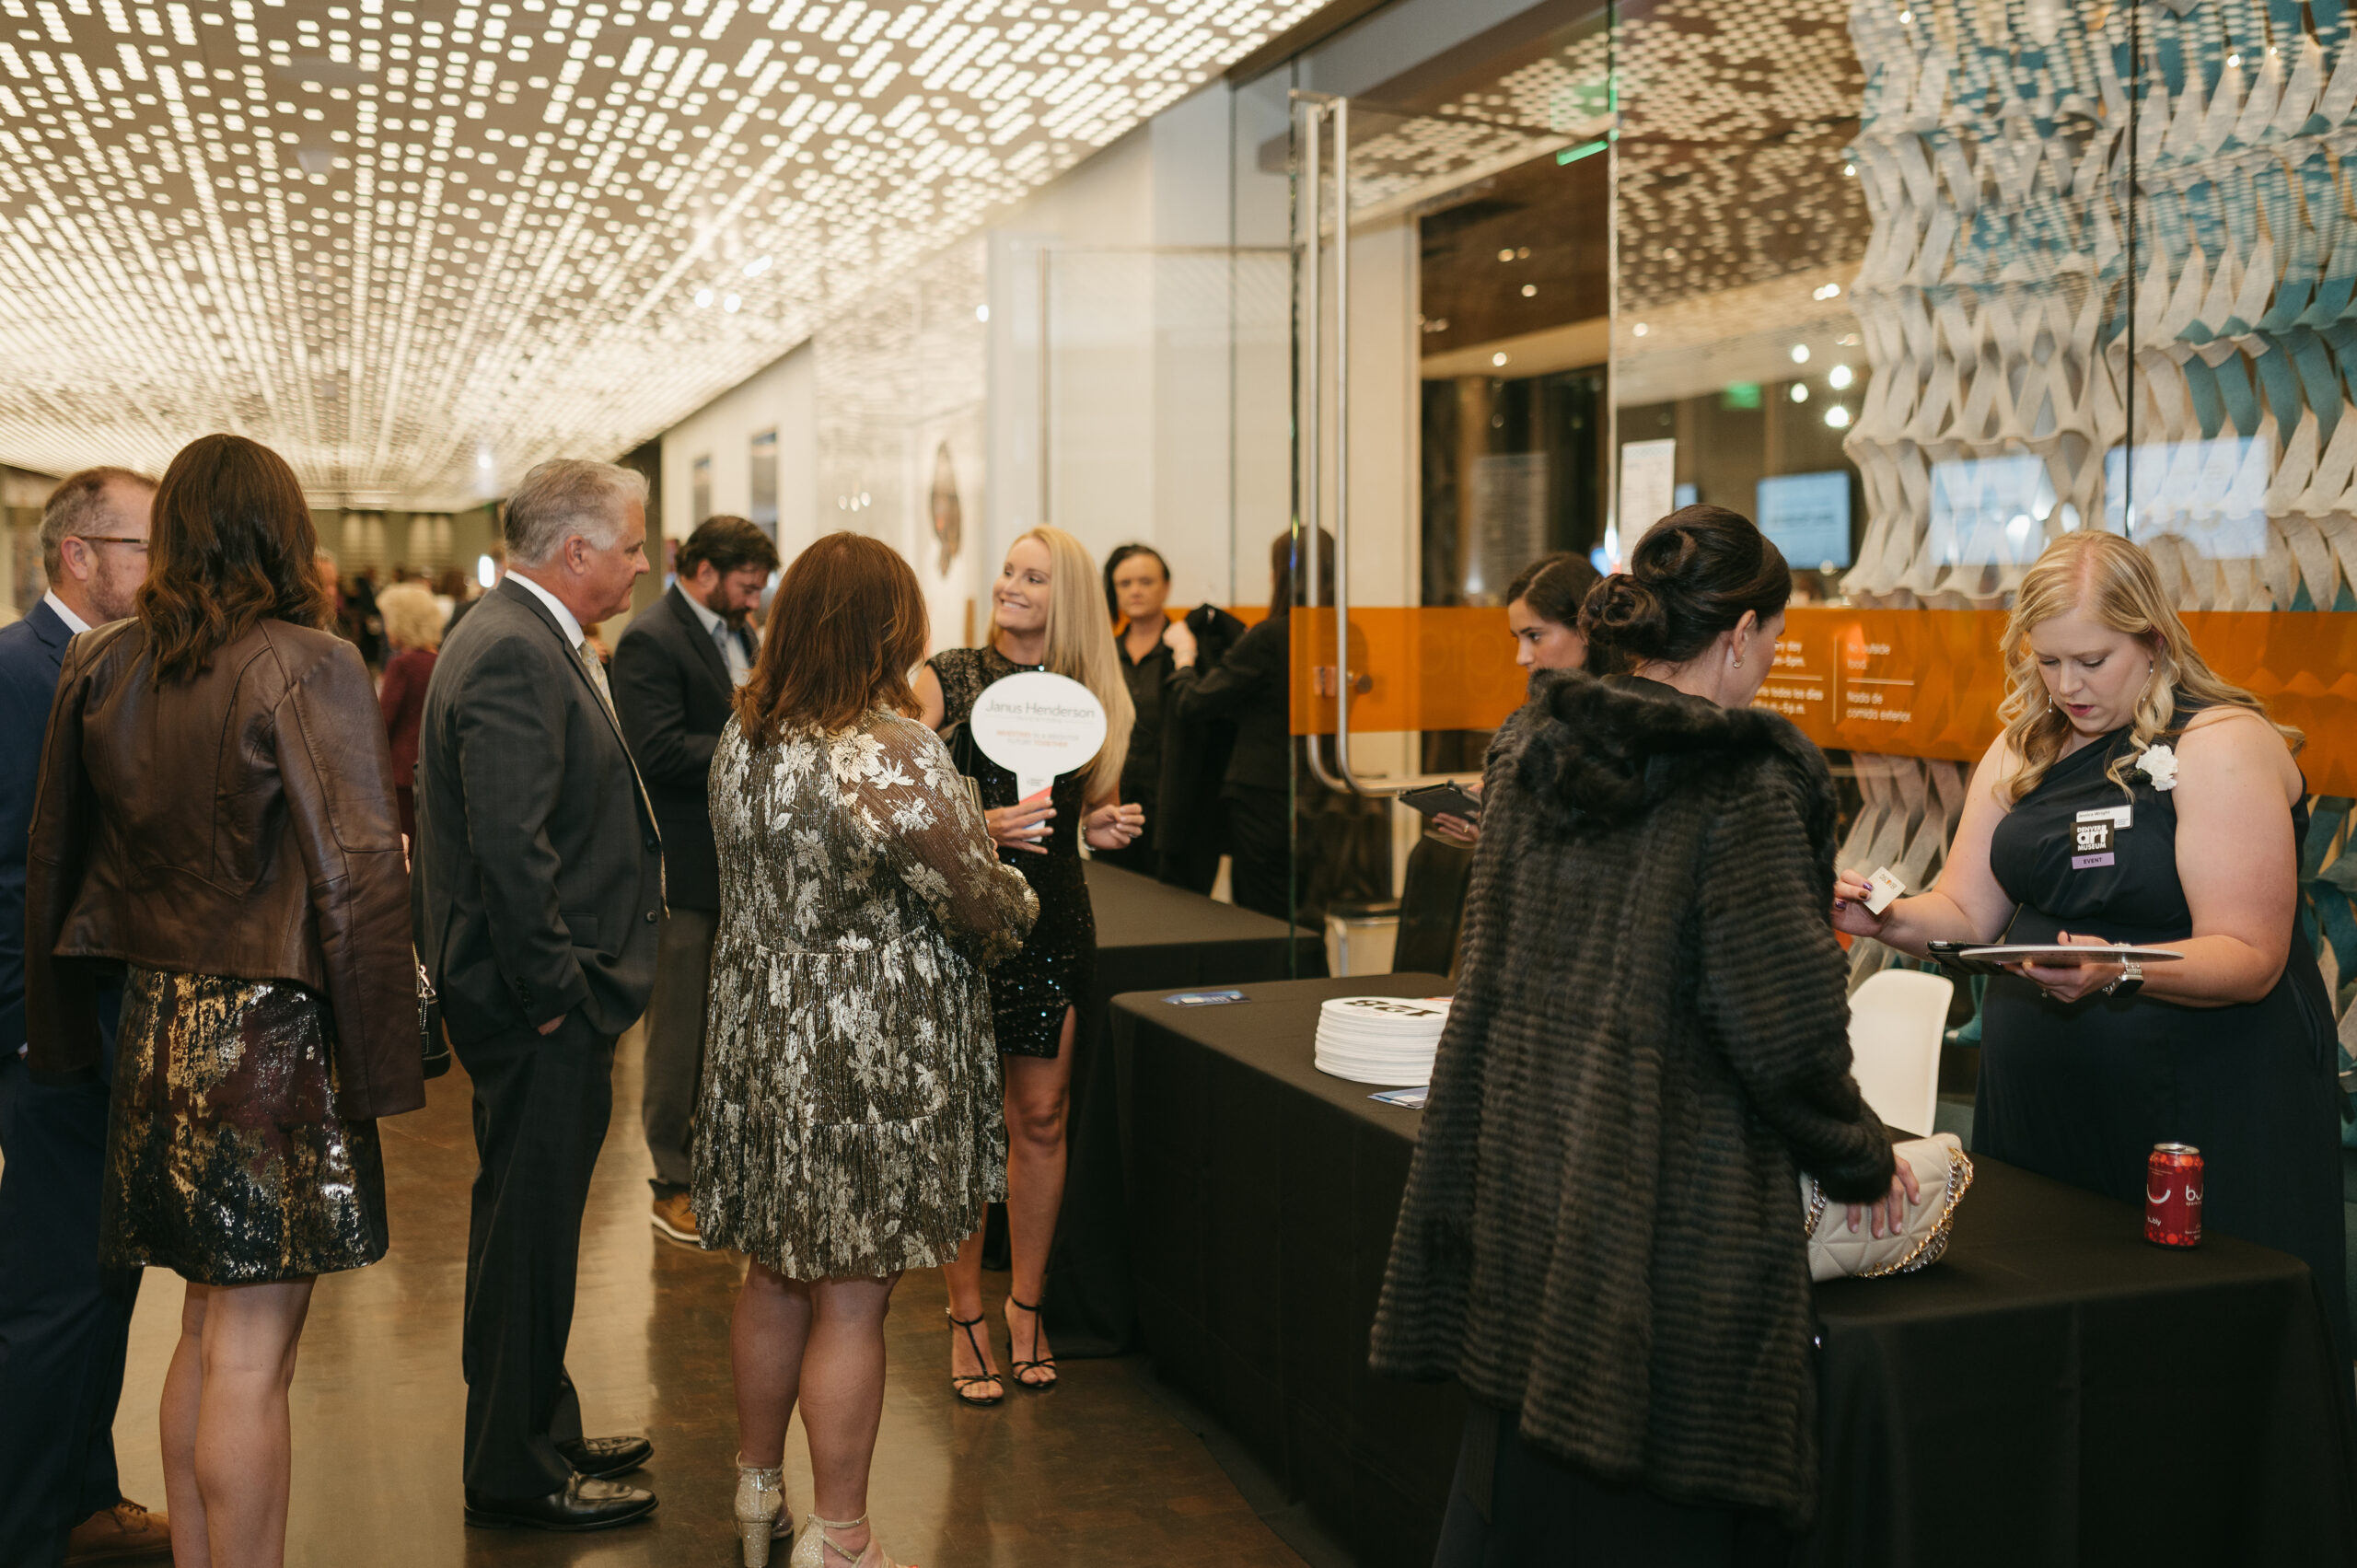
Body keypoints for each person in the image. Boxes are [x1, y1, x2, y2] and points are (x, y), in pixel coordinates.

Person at [1371, 505, 1910, 1562]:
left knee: (1513, 1498)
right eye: (1774, 638)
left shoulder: (1529, 744)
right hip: (1670, 1205)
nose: (1771, 659)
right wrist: (1859, 1150)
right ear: (1741, 632)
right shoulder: (1745, 779)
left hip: (1526, 1165)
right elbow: (1782, 1028)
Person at [26, 435, 423, 1568]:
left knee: (205, 1326)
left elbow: (54, 856)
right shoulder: (307, 659)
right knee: (252, 1348)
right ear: (283, 530)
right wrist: (387, 1068)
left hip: (154, 1021)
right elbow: (357, 872)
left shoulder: (102, 659)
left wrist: (60, 1033)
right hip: (270, 1038)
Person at [1833, 528, 2349, 1357]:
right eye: (2048, 661)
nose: (2067, 685)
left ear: (2153, 641)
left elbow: (2251, 955)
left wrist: (2118, 968)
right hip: (2046, 1110)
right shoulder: (2024, 747)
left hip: (2195, 1105)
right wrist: (1884, 918)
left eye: (2092, 660)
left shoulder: (2218, 744)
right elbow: (1966, 910)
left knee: (2190, 1346)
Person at [698, 533, 1037, 1568]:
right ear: (892, 625)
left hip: (758, 1037)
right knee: (853, 1291)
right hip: (863, 1054)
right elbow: (978, 902)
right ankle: (841, 1534)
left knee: (772, 1273)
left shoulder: (744, 733)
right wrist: (1017, 888)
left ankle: (760, 1491)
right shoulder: (889, 746)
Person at [410, 459, 666, 1533]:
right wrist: (559, 993)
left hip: (535, 997)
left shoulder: (519, 633)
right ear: (577, 550)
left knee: (530, 1226)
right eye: (633, 545)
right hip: (537, 1005)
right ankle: (515, 1467)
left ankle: (536, 1424)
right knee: (529, 1235)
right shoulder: (516, 648)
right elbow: (512, 851)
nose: (641, 564)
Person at [914, 526, 1142, 1401]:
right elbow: (891, 799)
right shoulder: (944, 677)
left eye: (1033, 576)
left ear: (1066, 596)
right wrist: (977, 823)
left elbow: (1082, 811)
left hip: (1055, 926)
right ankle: (966, 1313)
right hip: (964, 925)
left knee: (1041, 1118)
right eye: (1008, 569)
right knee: (971, 1123)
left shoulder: (1090, 695)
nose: (1011, 584)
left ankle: (1028, 1305)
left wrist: (1101, 824)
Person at [0, 467, 172, 1568]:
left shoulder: (115, 666)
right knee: (52, 1292)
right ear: (79, 554)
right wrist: (25, 1023)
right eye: (148, 547)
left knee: (107, 1278)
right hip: (49, 1037)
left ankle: (83, 1496)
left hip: (111, 1028)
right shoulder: (19, 673)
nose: (164, 570)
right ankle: (24, 1529)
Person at [610, 514, 780, 1246]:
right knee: (678, 1031)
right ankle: (670, 1179)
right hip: (684, 866)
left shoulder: (743, 633)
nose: (754, 597)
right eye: (746, 583)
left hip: (742, 866)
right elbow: (655, 749)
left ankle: (716, 1170)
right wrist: (763, 743)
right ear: (704, 570)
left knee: (728, 1028)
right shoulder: (651, 637)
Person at [1163, 528, 1329, 922]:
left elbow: (1194, 702)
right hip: (1319, 794)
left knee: (1265, 915)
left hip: (1262, 797)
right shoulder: (1343, 635)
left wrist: (1184, 657)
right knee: (1307, 913)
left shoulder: (1270, 637)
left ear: (1280, 575)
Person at [1431, 550, 1604, 848]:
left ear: (1585, 629)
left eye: (1534, 636)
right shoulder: (1540, 717)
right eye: (1517, 639)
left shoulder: (1620, 725)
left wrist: (1497, 836)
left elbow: (1585, 850)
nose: (1521, 657)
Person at [1097, 542, 1174, 876]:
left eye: (1146, 581)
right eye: (1125, 584)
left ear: (1166, 586)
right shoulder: (1104, 656)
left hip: (1171, 806)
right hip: (1115, 804)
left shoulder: (1185, 652)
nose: (1135, 591)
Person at [375, 579, 441, 844]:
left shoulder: (402, 665)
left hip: (401, 773)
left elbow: (382, 721)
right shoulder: (439, 660)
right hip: (431, 769)